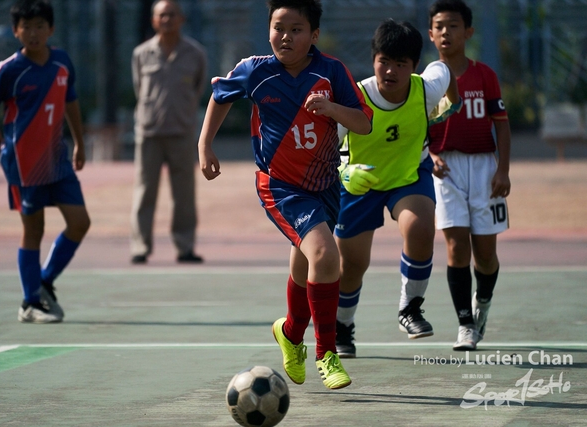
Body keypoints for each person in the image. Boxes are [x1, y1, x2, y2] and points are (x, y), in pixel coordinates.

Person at [198, 0, 373, 389]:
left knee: (305, 263)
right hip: (280, 187)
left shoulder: (331, 72)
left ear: (313, 36)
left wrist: (331, 108)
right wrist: (204, 144)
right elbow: (220, 96)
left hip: (325, 185)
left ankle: (290, 334)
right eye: (279, 27)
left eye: (296, 29)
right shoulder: (255, 71)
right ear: (268, 29)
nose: (285, 36)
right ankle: (327, 353)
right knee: (326, 255)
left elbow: (363, 123)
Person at [334, 18, 461, 357]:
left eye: (400, 64)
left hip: (408, 176)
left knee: (420, 227)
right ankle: (342, 326)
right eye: (383, 62)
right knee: (351, 266)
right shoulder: (353, 99)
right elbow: (323, 153)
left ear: (413, 66)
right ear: (373, 58)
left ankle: (410, 308)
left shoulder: (425, 89)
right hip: (360, 183)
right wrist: (344, 175)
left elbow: (444, 70)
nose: (390, 71)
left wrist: (452, 104)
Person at [0, 0, 90, 323]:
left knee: (80, 222)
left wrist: (80, 143)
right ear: (16, 31)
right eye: (26, 26)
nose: (33, 32)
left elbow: (71, 103)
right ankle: (30, 302)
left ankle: (42, 282)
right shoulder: (9, 69)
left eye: (40, 25)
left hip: (58, 160)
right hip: (23, 165)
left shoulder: (62, 62)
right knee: (34, 228)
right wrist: (2, 146)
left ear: (51, 29)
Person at [428, 0, 511, 350]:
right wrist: (429, 155)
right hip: (445, 169)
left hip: (484, 167)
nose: (447, 32)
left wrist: (503, 170)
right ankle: (464, 324)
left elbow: (502, 127)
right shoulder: (425, 82)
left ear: (468, 32)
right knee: (456, 247)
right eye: (440, 26)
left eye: (454, 25)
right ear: (431, 34)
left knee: (486, 254)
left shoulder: (485, 75)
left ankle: (483, 304)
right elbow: (416, 128)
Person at [130, 0, 207, 265]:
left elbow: (197, 90)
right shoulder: (141, 54)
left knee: (184, 194)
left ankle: (185, 247)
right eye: (162, 15)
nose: (167, 20)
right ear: (153, 21)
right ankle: (140, 247)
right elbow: (139, 89)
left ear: (182, 19)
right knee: (144, 191)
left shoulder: (195, 54)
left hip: (182, 133)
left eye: (172, 15)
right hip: (149, 133)